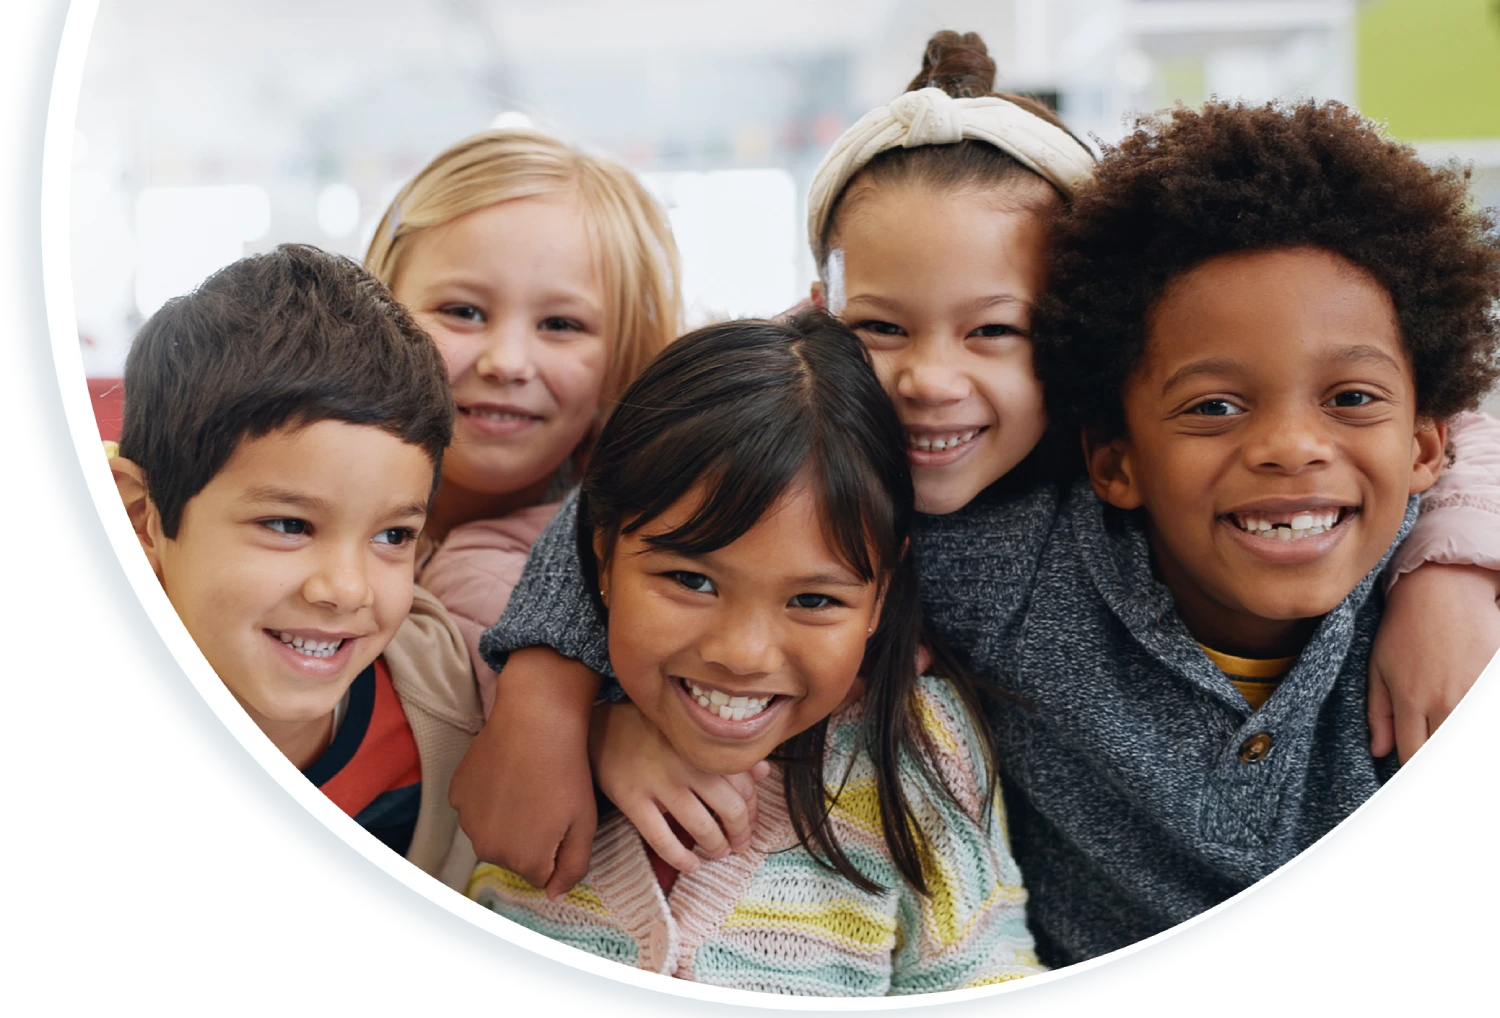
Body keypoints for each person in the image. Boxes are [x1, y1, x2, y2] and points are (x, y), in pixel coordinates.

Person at [451, 32, 1500, 906]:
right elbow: (659, 486)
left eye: (996, 329)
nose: (928, 382)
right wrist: (555, 700)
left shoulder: (1343, 514)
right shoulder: (971, 552)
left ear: (1079, 354)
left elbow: (1437, 420)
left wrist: (1454, 567)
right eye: (877, 329)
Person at [468, 311, 1042, 994]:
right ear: (601, 559)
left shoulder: (923, 755)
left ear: (882, 593)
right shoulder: (534, 736)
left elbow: (984, 987)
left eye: (813, 600)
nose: (741, 653)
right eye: (691, 580)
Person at [109, 245, 482, 890]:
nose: (346, 589)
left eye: (393, 535)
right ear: (143, 518)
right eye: (288, 525)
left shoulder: (446, 697)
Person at [362, 127, 683, 714]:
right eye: (462, 312)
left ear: (622, 356)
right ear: (375, 307)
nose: (507, 362)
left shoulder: (647, 550)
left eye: (561, 325)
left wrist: (605, 733)